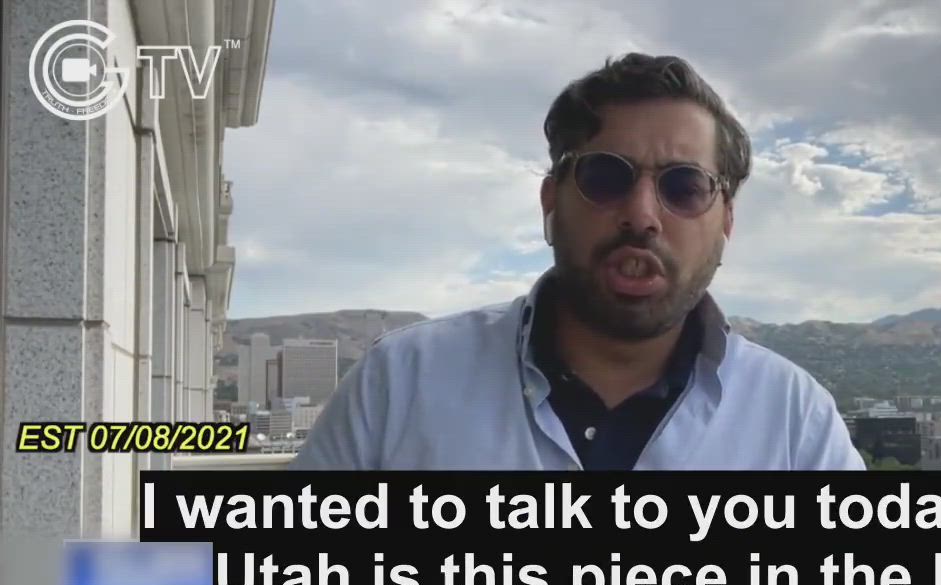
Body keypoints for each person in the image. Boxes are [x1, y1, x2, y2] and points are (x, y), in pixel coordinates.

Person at [291, 53, 864, 471]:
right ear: (551, 202)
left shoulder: (795, 421)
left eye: (685, 186)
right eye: (606, 177)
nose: (642, 215)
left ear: (726, 222)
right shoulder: (400, 383)